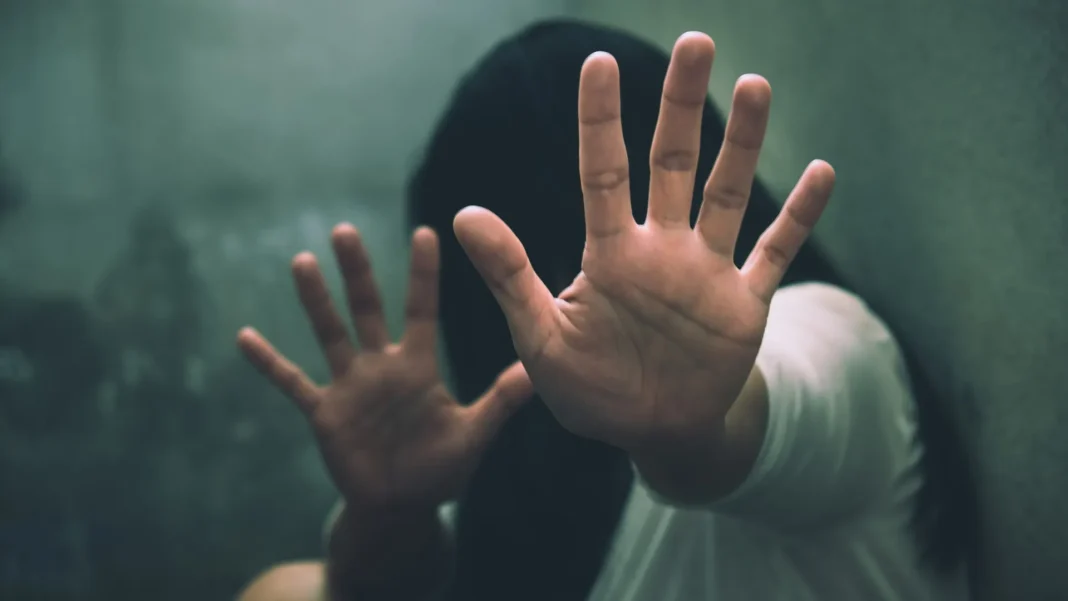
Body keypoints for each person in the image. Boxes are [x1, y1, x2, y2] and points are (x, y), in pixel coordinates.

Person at [236, 19, 976, 601]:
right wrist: (392, 515)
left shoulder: (831, 339)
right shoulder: (524, 480)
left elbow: (789, 407)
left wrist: (694, 430)